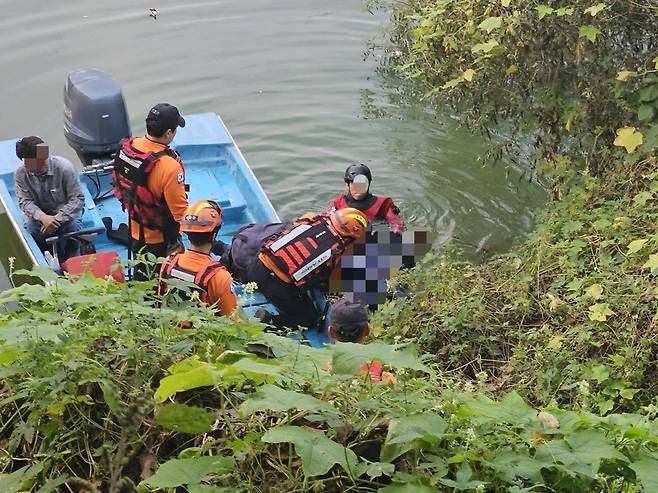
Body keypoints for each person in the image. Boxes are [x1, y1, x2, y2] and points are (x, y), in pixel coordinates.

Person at [241, 208, 368, 329]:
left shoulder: (310, 217)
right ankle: (268, 321)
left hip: (255, 265)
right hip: (276, 285)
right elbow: (332, 282)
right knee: (308, 318)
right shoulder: (339, 252)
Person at [112, 103, 188, 280]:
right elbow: (180, 214)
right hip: (159, 239)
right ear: (168, 133)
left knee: (142, 270)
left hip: (134, 226)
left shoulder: (127, 148)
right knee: (158, 280)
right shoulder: (169, 167)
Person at [158, 200, 237, 317]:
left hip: (171, 331)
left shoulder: (168, 262)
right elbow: (233, 321)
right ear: (214, 234)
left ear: (186, 232)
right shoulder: (220, 277)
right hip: (203, 334)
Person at [14, 136, 85, 260]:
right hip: (41, 216)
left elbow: (77, 199)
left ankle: (72, 251)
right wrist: (43, 217)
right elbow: (25, 202)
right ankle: (45, 252)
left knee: (73, 227)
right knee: (31, 229)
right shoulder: (20, 174)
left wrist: (56, 219)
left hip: (65, 214)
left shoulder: (64, 168)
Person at [329, 163, 404, 234]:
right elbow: (327, 221)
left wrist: (395, 232)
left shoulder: (383, 204)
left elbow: (397, 224)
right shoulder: (338, 203)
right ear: (347, 184)